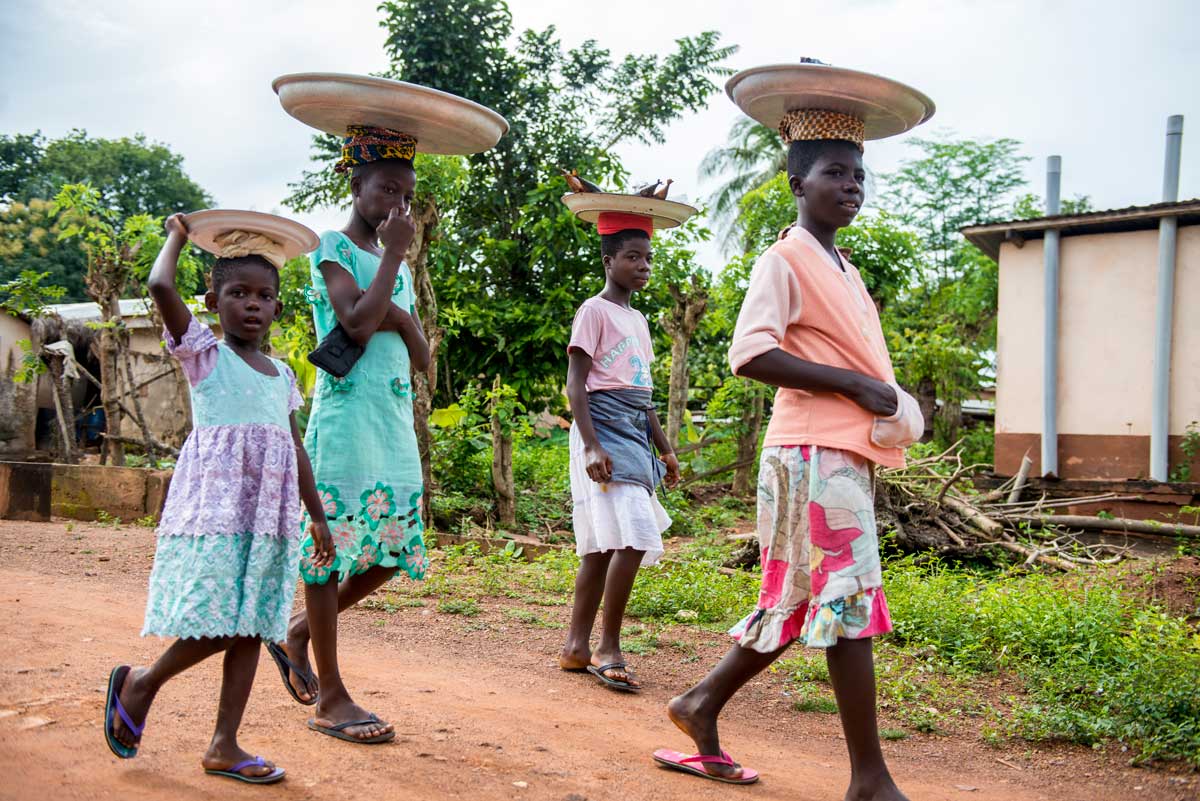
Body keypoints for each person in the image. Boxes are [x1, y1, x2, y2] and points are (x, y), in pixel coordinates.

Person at [654, 99, 924, 794]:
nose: (852, 185)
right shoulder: (784, 259)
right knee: (849, 600)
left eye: (858, 175)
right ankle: (870, 779)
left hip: (834, 453)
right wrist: (854, 385)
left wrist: (874, 395)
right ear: (798, 184)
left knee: (800, 599)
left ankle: (701, 703)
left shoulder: (844, 268)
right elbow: (750, 353)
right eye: (835, 172)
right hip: (810, 452)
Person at [103, 212, 334, 784]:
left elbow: (294, 447)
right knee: (222, 622)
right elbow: (160, 285)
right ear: (213, 302)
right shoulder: (205, 356)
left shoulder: (281, 375)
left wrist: (317, 515)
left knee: (253, 625)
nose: (252, 304)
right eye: (238, 293)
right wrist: (177, 236)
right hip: (218, 511)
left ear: (277, 307)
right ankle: (142, 683)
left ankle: (224, 745)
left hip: (269, 517)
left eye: (264, 296)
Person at [269, 126, 431, 744]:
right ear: (356, 185)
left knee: (394, 549)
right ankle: (332, 697)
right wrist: (393, 275)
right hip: (344, 422)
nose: (398, 204)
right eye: (387, 189)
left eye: (406, 195)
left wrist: (397, 315)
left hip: (391, 422)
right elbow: (358, 322)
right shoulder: (331, 247)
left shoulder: (397, 265)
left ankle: (301, 631)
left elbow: (421, 354)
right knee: (328, 550)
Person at [557, 206, 686, 692]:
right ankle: (608, 646)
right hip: (601, 425)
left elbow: (642, 393)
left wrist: (665, 449)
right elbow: (575, 384)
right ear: (608, 261)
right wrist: (591, 446)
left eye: (648, 258)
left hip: (633, 427)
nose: (643, 266)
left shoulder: (639, 320)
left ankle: (576, 646)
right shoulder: (593, 311)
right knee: (632, 536)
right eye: (633, 257)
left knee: (603, 544)